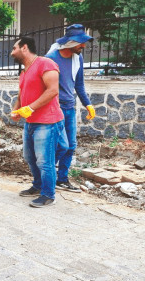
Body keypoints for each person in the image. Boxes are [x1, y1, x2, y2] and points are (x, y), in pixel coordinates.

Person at [10, 37, 64, 208]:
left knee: (44, 160)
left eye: (14, 48)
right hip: (31, 121)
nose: (12, 52)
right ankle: (38, 185)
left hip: (47, 121)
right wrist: (16, 110)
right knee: (29, 157)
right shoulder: (24, 72)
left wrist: (31, 108)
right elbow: (21, 95)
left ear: (24, 48)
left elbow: (53, 90)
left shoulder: (45, 64)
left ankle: (48, 195)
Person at [46, 24, 96, 193]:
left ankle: (62, 179)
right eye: (81, 43)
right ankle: (45, 176)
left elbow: (79, 85)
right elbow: (44, 86)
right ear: (70, 42)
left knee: (71, 145)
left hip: (70, 108)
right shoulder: (51, 58)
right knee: (61, 146)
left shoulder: (77, 59)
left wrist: (87, 104)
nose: (84, 46)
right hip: (55, 109)